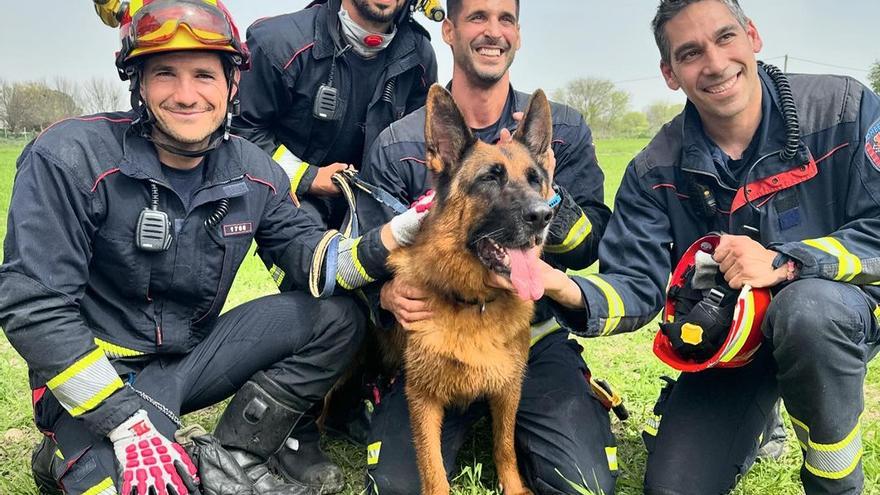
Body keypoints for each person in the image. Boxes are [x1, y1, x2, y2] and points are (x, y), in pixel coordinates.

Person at [2, 1, 431, 494]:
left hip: (185, 363)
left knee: (337, 318)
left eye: (205, 75)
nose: (187, 95)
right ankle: (68, 452)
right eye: (165, 72)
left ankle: (237, 454)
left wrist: (398, 232)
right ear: (137, 81)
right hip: (99, 374)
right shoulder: (68, 156)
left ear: (232, 84)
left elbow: (318, 260)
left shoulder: (255, 170)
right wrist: (124, 423)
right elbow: (34, 307)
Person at [534, 0, 880, 493]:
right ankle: (760, 416)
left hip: (841, 311)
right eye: (691, 53)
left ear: (752, 36)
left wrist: (786, 264)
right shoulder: (653, 169)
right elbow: (635, 286)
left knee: (807, 311)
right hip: (733, 346)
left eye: (724, 38)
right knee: (674, 489)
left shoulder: (844, 108)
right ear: (669, 73)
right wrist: (558, 284)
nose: (715, 64)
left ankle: (835, 483)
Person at [356, 0, 616, 493]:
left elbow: (589, 246)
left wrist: (548, 195)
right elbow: (369, 248)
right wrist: (385, 295)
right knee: (396, 487)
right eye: (477, 17)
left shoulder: (565, 129)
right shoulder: (398, 143)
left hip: (528, 334)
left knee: (582, 484)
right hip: (435, 321)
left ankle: (524, 437)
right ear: (449, 30)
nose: (492, 31)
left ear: (517, 35)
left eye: (506, 19)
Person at [231, 0, 438, 230]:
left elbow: (418, 151)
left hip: (378, 205)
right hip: (296, 200)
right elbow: (240, 133)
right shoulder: (277, 44)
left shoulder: (420, 57)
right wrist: (308, 176)